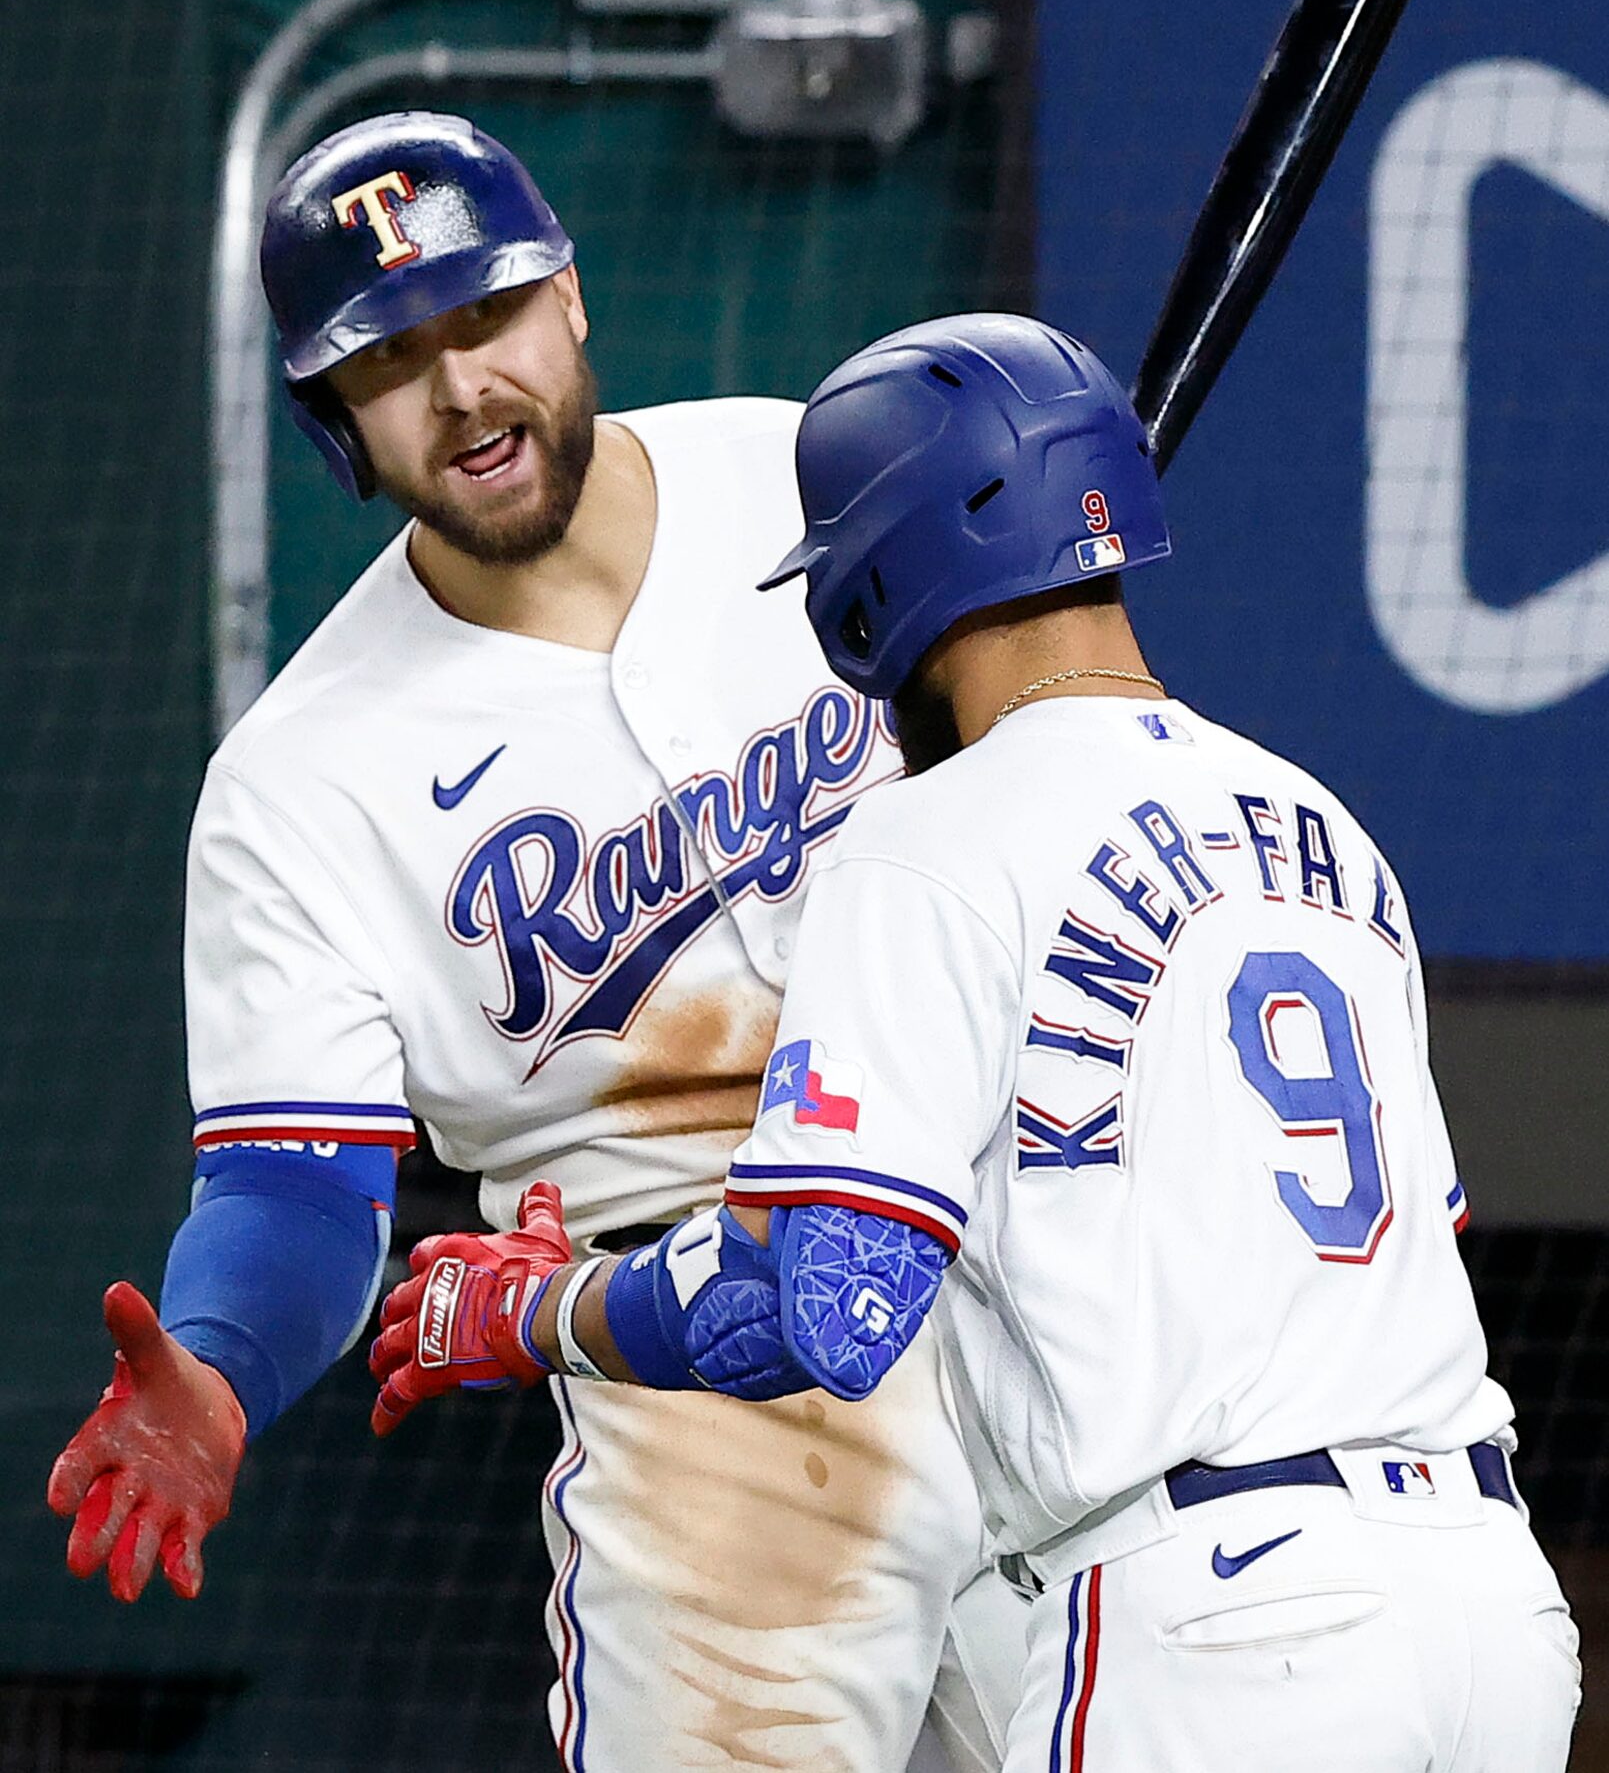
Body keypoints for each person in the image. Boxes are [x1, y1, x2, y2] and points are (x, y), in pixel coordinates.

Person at [375, 312, 1584, 1770]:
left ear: (873, 592)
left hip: (1219, 1623)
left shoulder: (926, 839)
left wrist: (534, 1312)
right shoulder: (1323, 825)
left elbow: (821, 1310)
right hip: (1489, 1608)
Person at [46, 114, 1027, 1773]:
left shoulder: (805, 476)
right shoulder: (298, 778)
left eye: (480, 317)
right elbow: (296, 1184)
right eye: (391, 360)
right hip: (694, 1369)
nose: (459, 389)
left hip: (1013, 1263)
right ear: (335, 421)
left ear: (566, 295)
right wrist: (216, 1367)